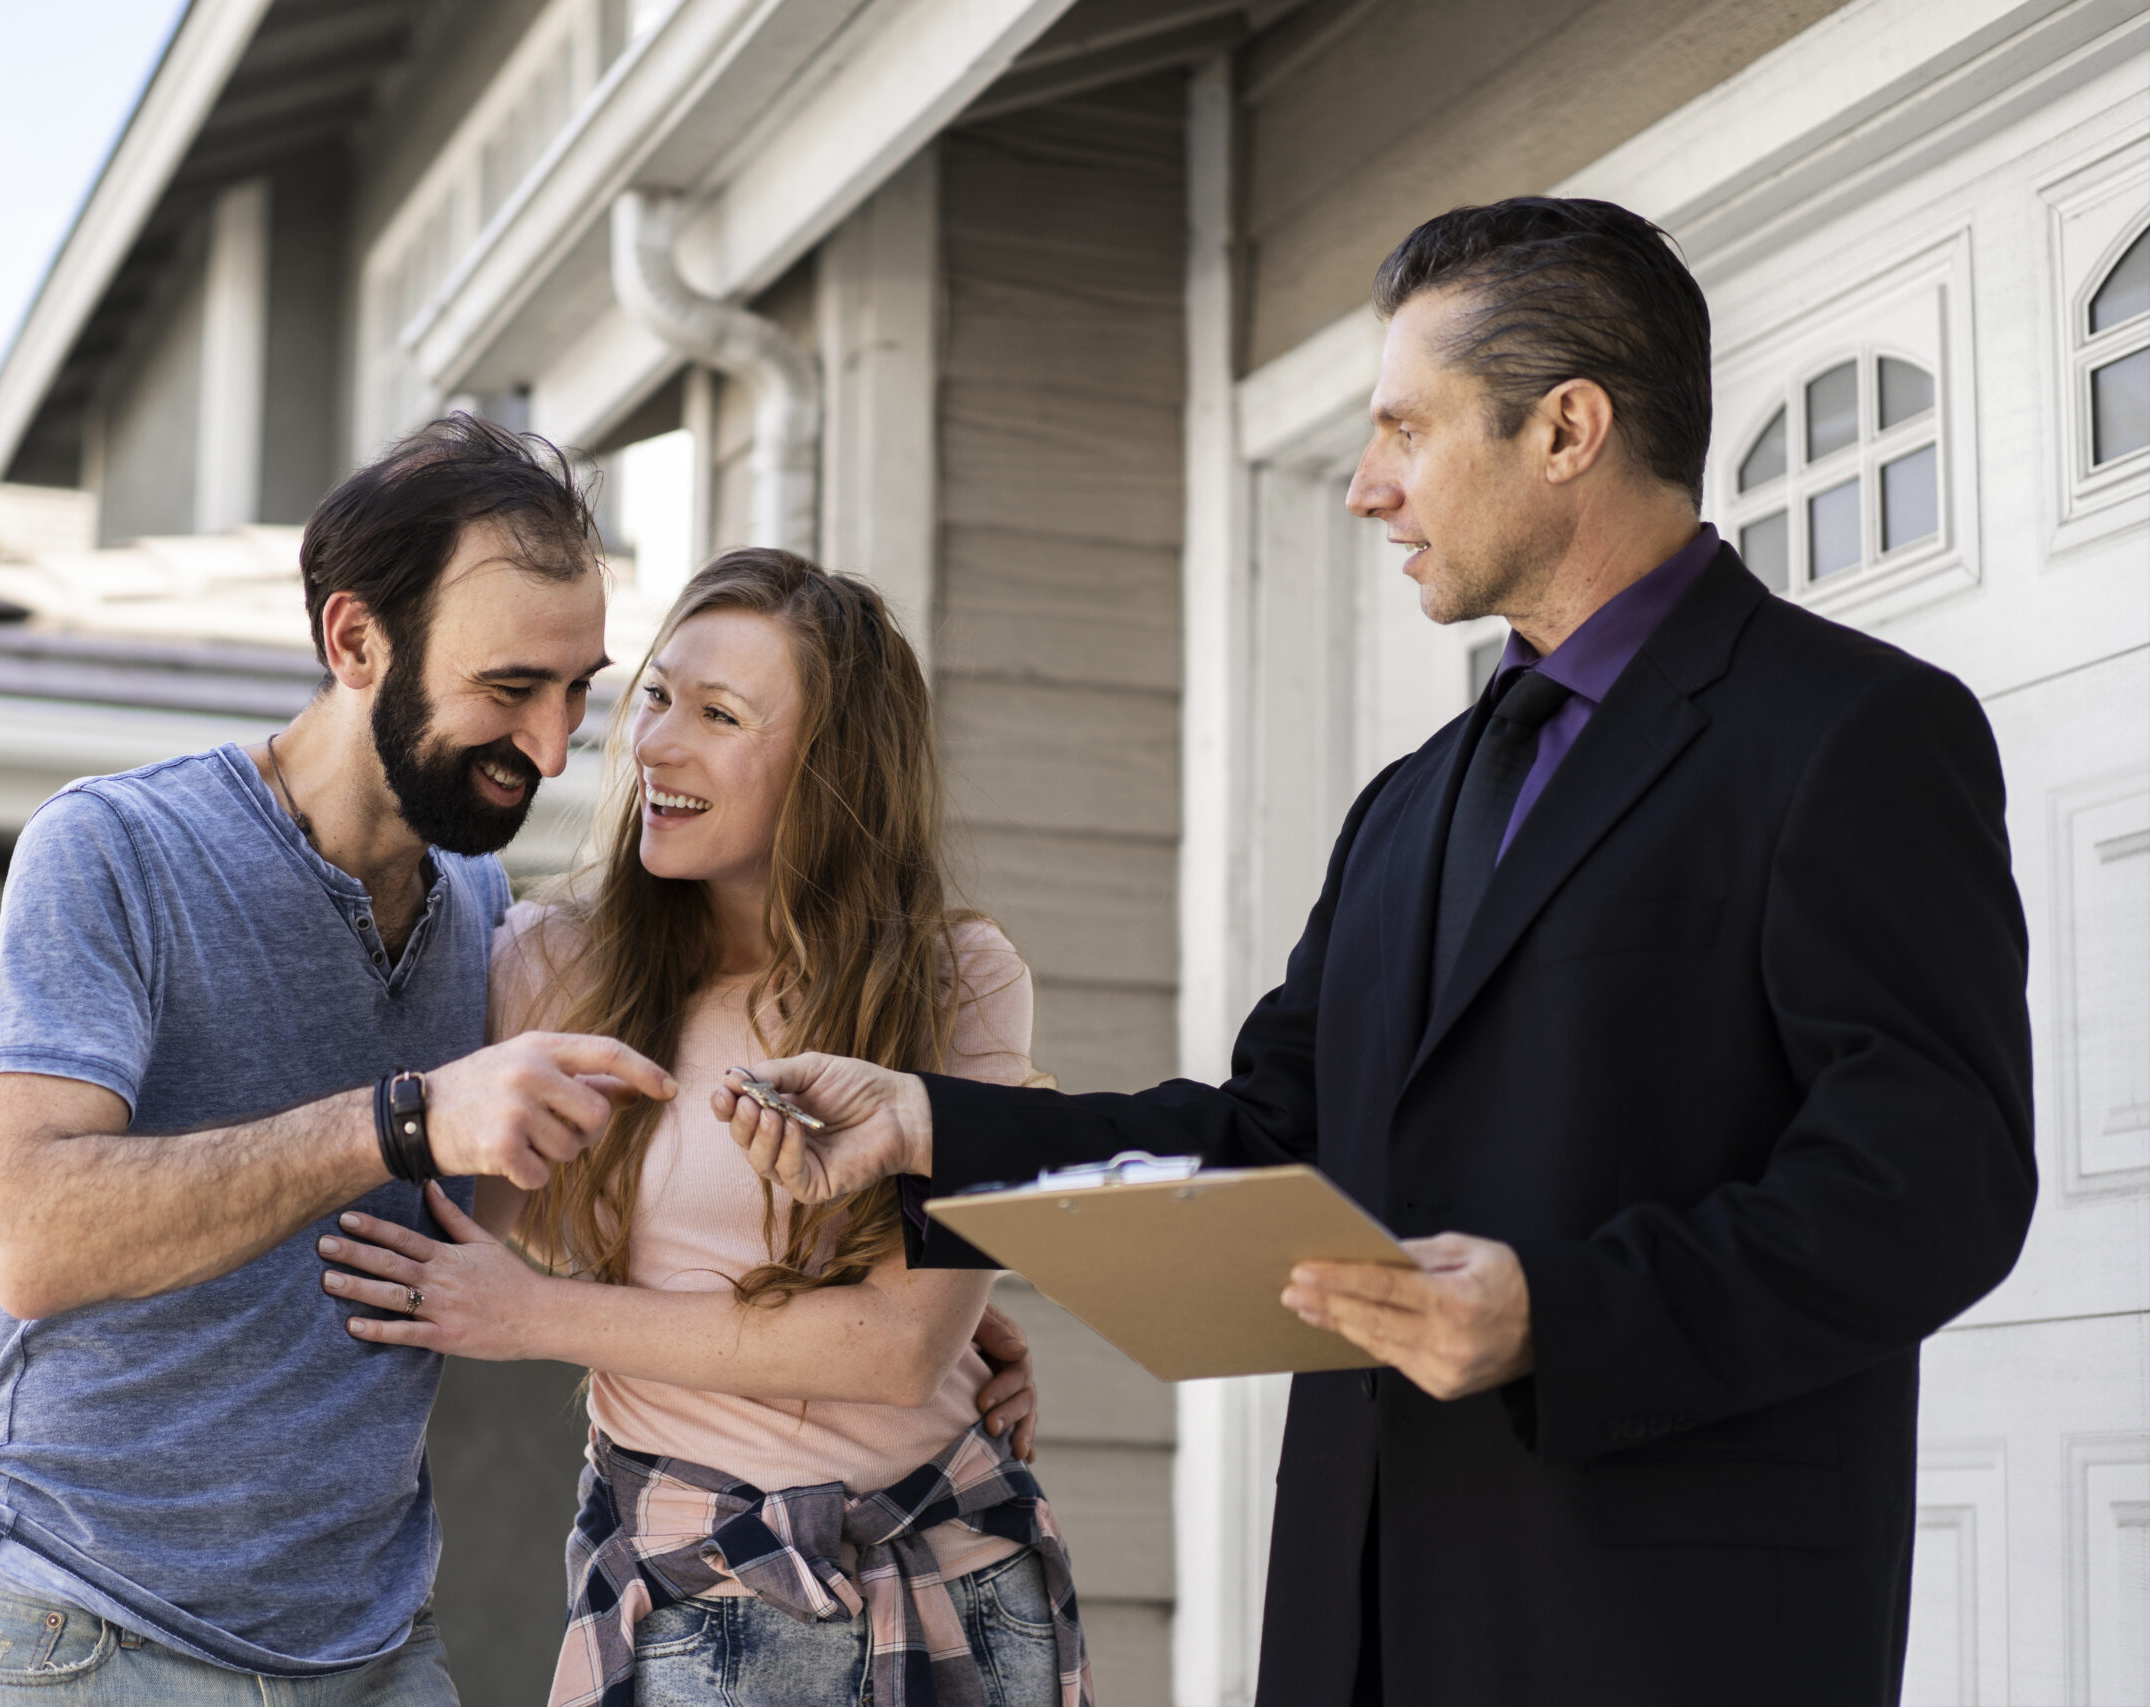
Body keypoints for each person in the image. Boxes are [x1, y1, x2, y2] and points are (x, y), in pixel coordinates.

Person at [712, 199, 2036, 1707]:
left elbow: (1933, 1185)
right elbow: (1276, 1135)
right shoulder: (1407, 804)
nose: (1366, 487)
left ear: (1567, 428)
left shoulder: (1855, 733)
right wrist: (933, 1123)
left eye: (1405, 428)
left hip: (1664, 1623)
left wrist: (1561, 1310)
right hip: (1358, 1614)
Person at [0, 418, 1035, 1703]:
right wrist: (401, 1121)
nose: (562, 749)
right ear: (354, 643)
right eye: (511, 690)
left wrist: (933, 1315)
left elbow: (583, 1217)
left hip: (370, 1644)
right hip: (86, 1625)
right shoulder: (114, 849)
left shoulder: (479, 916)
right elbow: (35, 1237)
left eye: (580, 690)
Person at [318, 551, 1089, 1707]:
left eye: (718, 715)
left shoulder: (954, 978)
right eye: (661, 696)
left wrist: (540, 1319)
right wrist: (67, 1390)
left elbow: (895, 1352)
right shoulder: (547, 965)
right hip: (702, 1586)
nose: (655, 745)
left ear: (831, 770)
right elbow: (379, 1201)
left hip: (957, 1575)